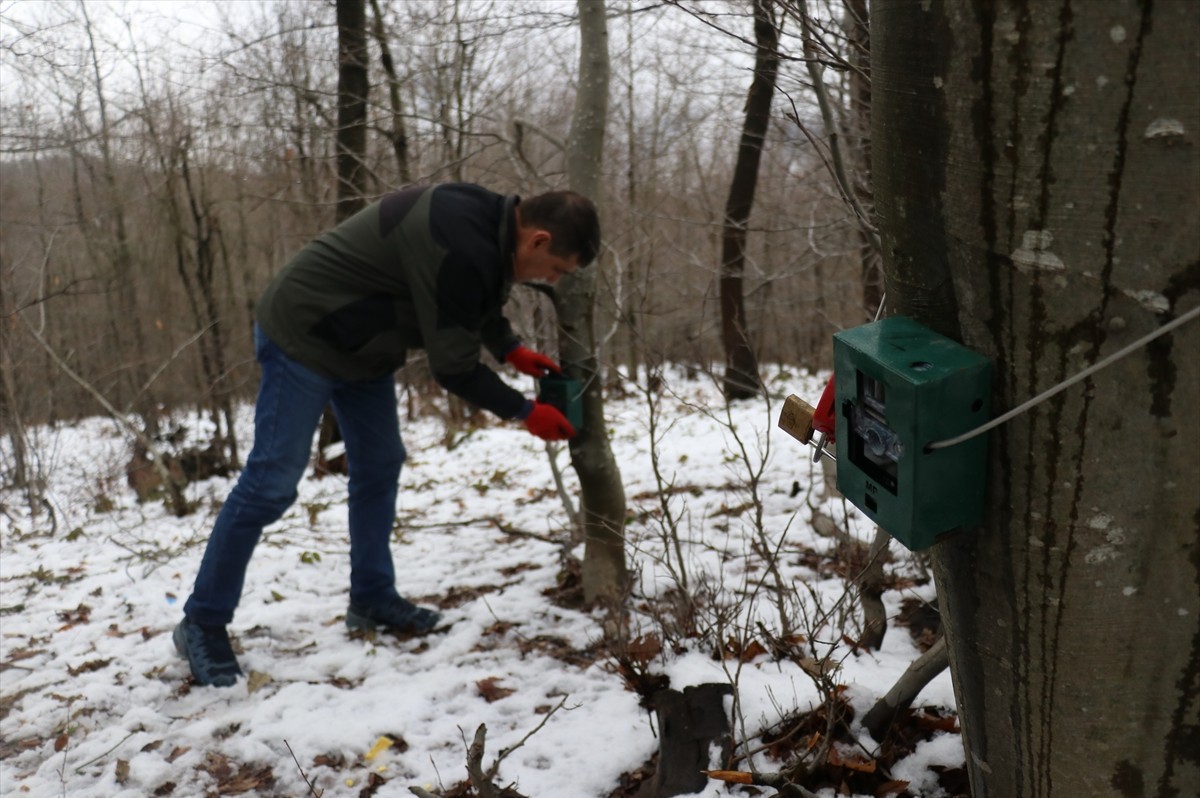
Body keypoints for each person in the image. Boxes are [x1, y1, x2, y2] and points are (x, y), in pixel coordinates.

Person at [174, 183, 598, 687]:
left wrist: (508, 347)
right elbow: (454, 367)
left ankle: (372, 598)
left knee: (379, 464)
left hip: (364, 345)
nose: (550, 279)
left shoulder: (489, 224)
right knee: (272, 482)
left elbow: (469, 298)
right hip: (306, 333)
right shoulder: (463, 240)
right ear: (538, 240)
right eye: (556, 269)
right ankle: (202, 622)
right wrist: (524, 411)